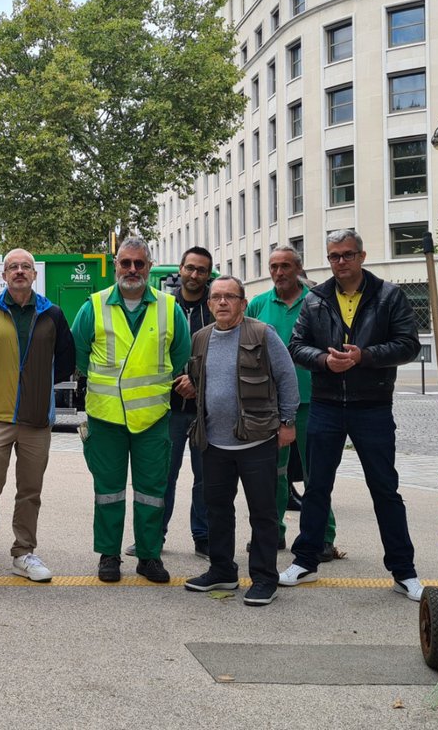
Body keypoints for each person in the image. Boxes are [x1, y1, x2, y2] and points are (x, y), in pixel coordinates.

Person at [279, 229, 424, 601]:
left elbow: (409, 345)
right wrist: (324, 361)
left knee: (385, 489)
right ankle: (305, 561)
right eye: (334, 256)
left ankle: (404, 571)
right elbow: (296, 346)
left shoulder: (389, 296)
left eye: (346, 254)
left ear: (361, 256)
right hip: (326, 404)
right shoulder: (315, 299)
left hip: (372, 405)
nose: (340, 262)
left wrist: (365, 356)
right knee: (317, 487)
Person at [71, 236, 191, 584]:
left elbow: (180, 355)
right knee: (108, 491)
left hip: (153, 418)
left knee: (152, 492)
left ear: (150, 267)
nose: (133, 269)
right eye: (126, 263)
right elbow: (79, 353)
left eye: (139, 263)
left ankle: (149, 556)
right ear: (116, 265)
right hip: (105, 416)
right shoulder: (93, 306)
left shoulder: (169, 308)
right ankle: (109, 555)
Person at [177, 276, 299, 606]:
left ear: (243, 303)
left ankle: (264, 578)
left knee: (263, 513)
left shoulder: (262, 333)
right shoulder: (201, 338)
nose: (222, 302)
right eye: (216, 297)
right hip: (214, 443)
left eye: (229, 297)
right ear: (209, 304)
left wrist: (288, 422)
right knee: (217, 510)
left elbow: (286, 377)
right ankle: (222, 571)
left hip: (257, 441)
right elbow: (200, 380)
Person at [0, 249, 75, 586]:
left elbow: (67, 360)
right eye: (13, 267)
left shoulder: (52, 314)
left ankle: (24, 553)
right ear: (4, 275)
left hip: (36, 421)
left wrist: (38, 385)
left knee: (30, 491)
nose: (20, 271)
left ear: (34, 274)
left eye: (26, 266)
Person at [246, 245, 343, 560]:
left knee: (316, 473)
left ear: (298, 268)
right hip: (268, 404)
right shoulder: (258, 304)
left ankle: (322, 537)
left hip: (313, 401)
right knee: (272, 473)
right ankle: (271, 533)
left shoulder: (319, 301)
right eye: (273, 266)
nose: (279, 272)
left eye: (285, 266)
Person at [127, 246, 213, 560]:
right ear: (180, 268)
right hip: (169, 408)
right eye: (190, 267)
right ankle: (153, 537)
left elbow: (226, 355)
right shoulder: (162, 305)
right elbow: (150, 352)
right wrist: (178, 380)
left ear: (208, 274)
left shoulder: (216, 306)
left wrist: (198, 383)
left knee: (206, 479)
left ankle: (204, 537)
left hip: (208, 410)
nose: (194, 274)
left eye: (201, 270)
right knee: (162, 477)